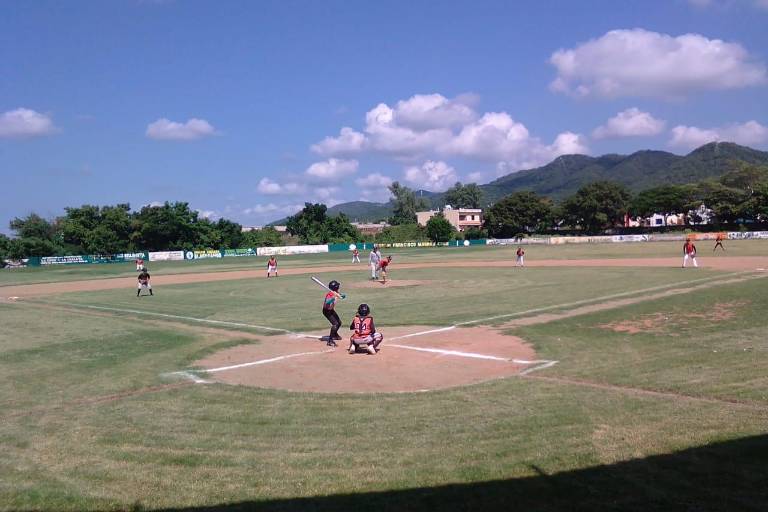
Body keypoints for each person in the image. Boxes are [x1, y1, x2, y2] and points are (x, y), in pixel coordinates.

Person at [322, 280, 345, 347]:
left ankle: (334, 334)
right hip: (327, 311)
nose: (339, 287)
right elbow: (327, 302)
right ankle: (330, 341)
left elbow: (341, 296)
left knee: (339, 323)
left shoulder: (335, 292)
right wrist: (333, 297)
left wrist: (342, 296)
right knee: (335, 324)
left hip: (331, 310)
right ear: (336, 287)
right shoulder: (330, 294)